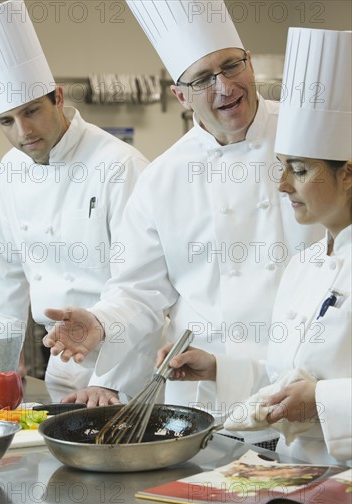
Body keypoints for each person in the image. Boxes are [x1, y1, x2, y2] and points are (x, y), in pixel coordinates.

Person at [44, 1, 323, 426]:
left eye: (232, 66)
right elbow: (139, 292)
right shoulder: (162, 178)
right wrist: (101, 322)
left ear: (249, 63)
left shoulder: (315, 142)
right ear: (180, 95)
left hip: (310, 390)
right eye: (203, 79)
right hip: (207, 404)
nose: (226, 87)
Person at [156, 27, 352, 465]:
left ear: (348, 173)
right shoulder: (305, 266)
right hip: (294, 477)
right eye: (282, 168)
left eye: (298, 170)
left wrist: (323, 402)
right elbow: (283, 375)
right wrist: (220, 368)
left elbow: (315, 391)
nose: (282, 185)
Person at [0, 0, 149, 401]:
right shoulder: (10, 169)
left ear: (57, 97)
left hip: (123, 367)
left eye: (31, 111)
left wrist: (108, 379)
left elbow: (142, 286)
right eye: (6, 121)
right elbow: (4, 274)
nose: (23, 131)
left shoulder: (120, 165)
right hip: (61, 364)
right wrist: (1, 366)